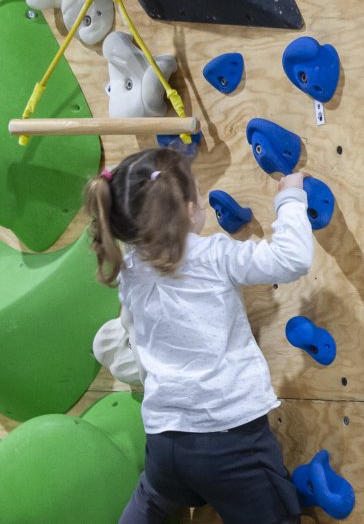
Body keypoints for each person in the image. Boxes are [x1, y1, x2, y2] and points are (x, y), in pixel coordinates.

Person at [85, 147, 314, 524]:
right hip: (229, 443)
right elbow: (292, 259)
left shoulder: (129, 271)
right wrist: (290, 197)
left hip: (165, 443)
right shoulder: (214, 256)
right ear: (188, 210)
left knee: (155, 502)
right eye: (197, 191)